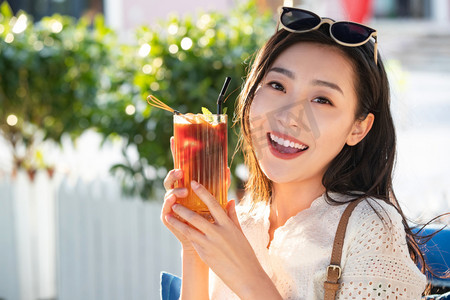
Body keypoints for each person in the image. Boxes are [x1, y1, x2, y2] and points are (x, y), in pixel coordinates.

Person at [161, 7, 428, 299]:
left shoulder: (371, 229)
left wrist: (248, 277)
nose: (289, 116)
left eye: (322, 100)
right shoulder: (243, 223)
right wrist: (194, 247)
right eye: (277, 85)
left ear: (358, 128)